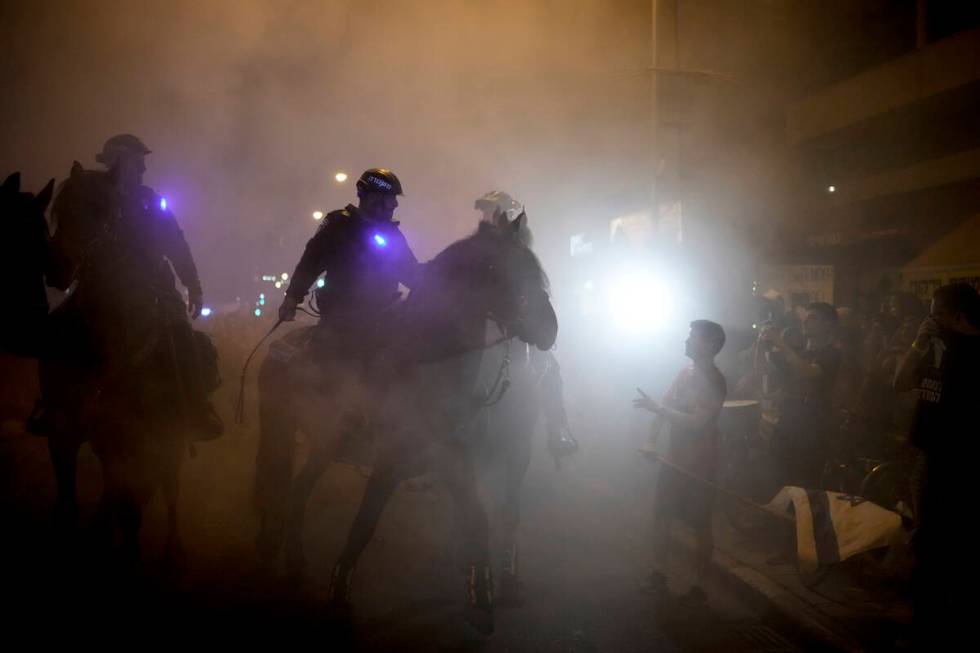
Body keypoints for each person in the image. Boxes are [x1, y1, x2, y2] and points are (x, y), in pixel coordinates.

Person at [97, 134, 221, 437]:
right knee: (63, 327)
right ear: (117, 164)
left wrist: (193, 286)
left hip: (154, 286)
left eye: (141, 164)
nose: (141, 170)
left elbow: (175, 245)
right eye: (136, 164)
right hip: (101, 283)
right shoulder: (93, 196)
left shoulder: (150, 200)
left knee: (183, 334)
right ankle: (54, 404)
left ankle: (195, 407)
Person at [894, 283, 980, 647]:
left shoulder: (974, 353)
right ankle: (923, 615)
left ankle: (936, 622)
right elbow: (899, 382)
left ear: (957, 316)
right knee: (925, 534)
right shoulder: (931, 346)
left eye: (936, 313)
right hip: (927, 454)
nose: (929, 320)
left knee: (944, 541)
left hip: (959, 461)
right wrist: (917, 344)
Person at [634, 320, 727, 603]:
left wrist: (659, 409)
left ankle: (699, 586)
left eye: (692, 337)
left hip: (700, 464)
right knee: (662, 516)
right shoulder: (685, 372)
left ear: (709, 345)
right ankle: (658, 574)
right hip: (674, 460)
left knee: (700, 524)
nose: (686, 341)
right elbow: (662, 405)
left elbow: (698, 423)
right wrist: (651, 440)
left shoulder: (714, 380)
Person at [765, 302, 840, 488]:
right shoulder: (801, 354)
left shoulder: (833, 354)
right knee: (779, 482)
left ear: (829, 325)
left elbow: (810, 372)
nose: (805, 322)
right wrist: (763, 344)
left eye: (812, 318)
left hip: (812, 431)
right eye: (805, 318)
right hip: (787, 425)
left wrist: (780, 343)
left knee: (804, 488)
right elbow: (765, 371)